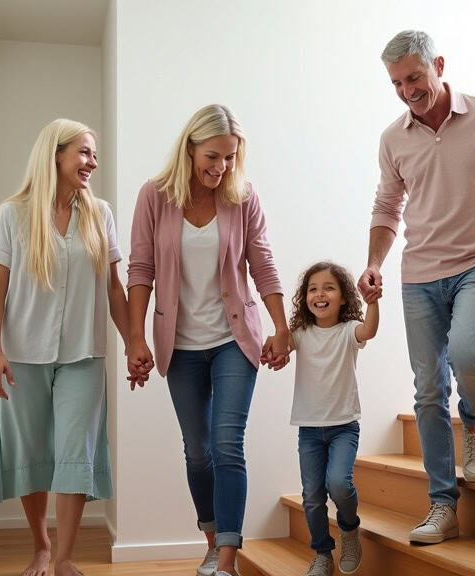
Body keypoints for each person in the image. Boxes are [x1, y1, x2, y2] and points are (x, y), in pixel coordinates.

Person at [357, 30, 475, 545]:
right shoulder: (393, 138)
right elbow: (387, 207)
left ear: (439, 65)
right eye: (397, 83)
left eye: (414, 77)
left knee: (468, 354)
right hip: (419, 275)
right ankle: (442, 504)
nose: (407, 90)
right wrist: (373, 262)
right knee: (428, 391)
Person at [125, 104, 289, 576]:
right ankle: (212, 540)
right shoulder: (154, 196)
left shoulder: (243, 197)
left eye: (231, 158)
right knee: (197, 449)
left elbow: (263, 264)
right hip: (180, 346)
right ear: (190, 148)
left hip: (234, 341)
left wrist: (281, 328)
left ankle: (228, 560)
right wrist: (135, 336)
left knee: (227, 444)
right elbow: (141, 270)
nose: (221, 168)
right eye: (212, 156)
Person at [0, 118, 129, 576]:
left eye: (94, 154)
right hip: (22, 353)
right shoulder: (13, 214)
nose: (92, 162)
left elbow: (115, 290)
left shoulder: (100, 214)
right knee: (29, 451)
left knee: (73, 453)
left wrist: (135, 342)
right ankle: (41, 546)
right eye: (84, 152)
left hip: (83, 354)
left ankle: (65, 557)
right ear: (56, 155)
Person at [287, 262, 379, 576]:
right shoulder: (299, 333)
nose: (320, 294)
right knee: (312, 497)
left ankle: (349, 529)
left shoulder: (348, 330)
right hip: (309, 430)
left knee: (339, 484)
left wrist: (373, 301)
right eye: (312, 289)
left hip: (343, 427)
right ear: (305, 298)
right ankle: (322, 554)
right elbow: (277, 345)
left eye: (328, 287)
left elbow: (369, 330)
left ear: (342, 297)